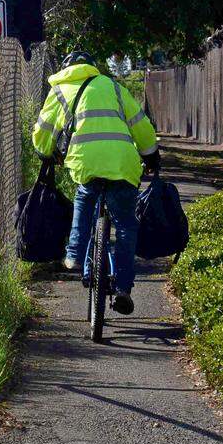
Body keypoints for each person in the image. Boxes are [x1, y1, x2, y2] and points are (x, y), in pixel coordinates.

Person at [31, 51, 160, 315]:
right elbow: (140, 124)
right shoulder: (112, 86)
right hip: (122, 163)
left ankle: (75, 255)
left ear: (67, 69)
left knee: (85, 196)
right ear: (92, 67)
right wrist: (151, 155)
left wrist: (45, 151)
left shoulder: (59, 90)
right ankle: (123, 288)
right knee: (125, 226)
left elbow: (43, 132)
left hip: (86, 162)